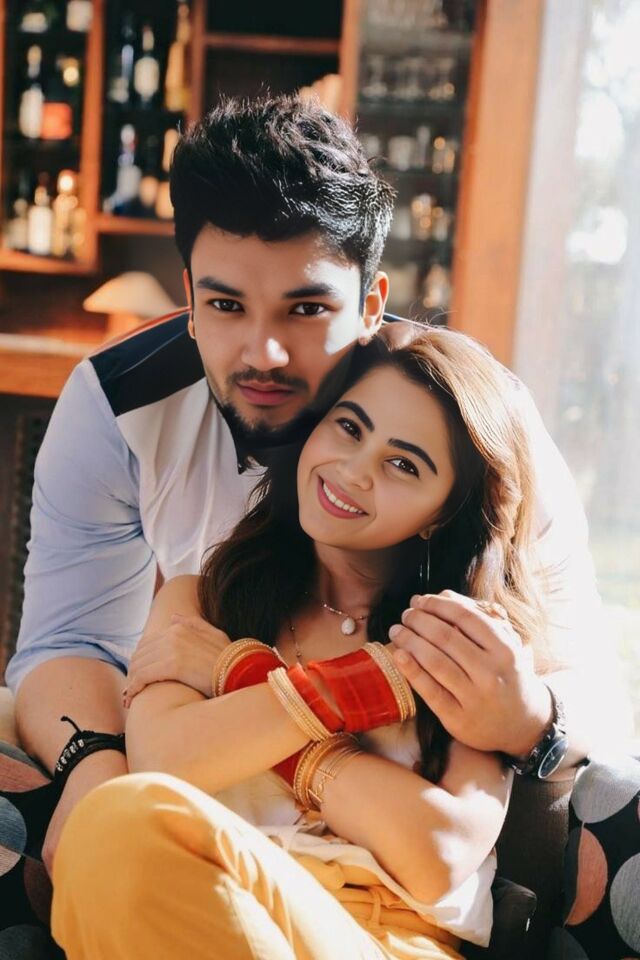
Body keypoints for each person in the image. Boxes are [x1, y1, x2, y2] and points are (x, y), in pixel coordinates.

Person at [0, 95, 628, 945]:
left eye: (305, 310)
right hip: (209, 867)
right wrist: (93, 774)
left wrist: (241, 676)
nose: (263, 352)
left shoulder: (471, 426)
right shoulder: (119, 413)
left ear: (371, 303)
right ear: (189, 298)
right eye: (226, 306)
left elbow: (571, 687)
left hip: (384, 916)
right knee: (119, 827)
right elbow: (66, 644)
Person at [52, 326, 551, 958]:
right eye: (349, 427)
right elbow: (164, 763)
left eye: (403, 464)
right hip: (208, 905)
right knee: (113, 823)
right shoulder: (202, 601)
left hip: (384, 938)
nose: (354, 470)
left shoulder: (462, 645)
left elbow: (438, 854)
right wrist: (365, 687)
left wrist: (237, 673)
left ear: (443, 513)